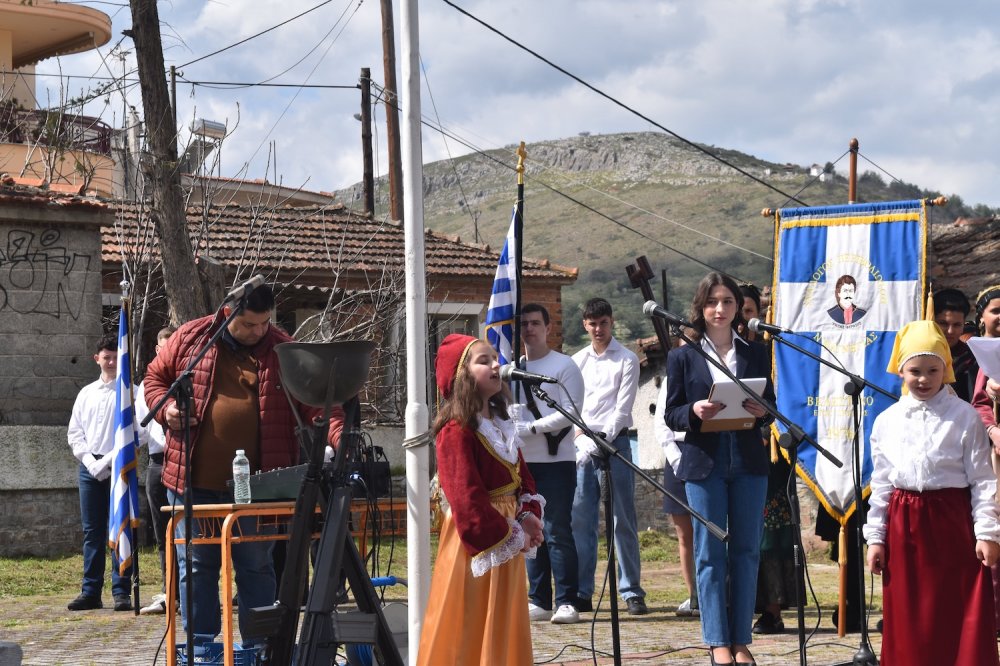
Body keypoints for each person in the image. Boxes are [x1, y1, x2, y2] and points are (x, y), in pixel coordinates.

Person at [143, 284, 344, 647]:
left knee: (256, 566)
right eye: (250, 324)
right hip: (192, 483)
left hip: (257, 489)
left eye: (265, 323)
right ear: (227, 314)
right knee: (196, 567)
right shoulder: (191, 338)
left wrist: (340, 437)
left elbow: (318, 403)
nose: (259, 331)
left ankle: (259, 647)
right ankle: (201, 647)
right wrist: (166, 409)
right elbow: (155, 379)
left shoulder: (283, 349)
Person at [864, 319, 1000, 665]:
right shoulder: (887, 421)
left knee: (957, 610)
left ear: (945, 370)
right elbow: (881, 484)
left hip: (952, 523)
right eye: (915, 371)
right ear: (901, 371)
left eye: (932, 370)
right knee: (910, 617)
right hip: (904, 525)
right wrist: (876, 538)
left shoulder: (964, 417)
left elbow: (982, 479)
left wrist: (986, 533)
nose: (923, 379)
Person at [663, 272, 774, 666]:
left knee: (746, 550)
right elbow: (671, 413)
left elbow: (771, 408)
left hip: (748, 461)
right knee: (709, 553)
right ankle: (716, 641)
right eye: (712, 302)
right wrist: (694, 410)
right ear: (701, 307)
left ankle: (740, 639)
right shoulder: (683, 356)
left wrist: (762, 411)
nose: (720, 309)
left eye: (727, 301)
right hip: (703, 463)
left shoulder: (755, 352)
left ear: (737, 307)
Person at [417, 334, 545, 666]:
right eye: (483, 361)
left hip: (507, 534)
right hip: (477, 542)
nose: (495, 365)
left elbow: (522, 477)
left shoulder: (501, 424)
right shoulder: (456, 430)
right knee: (471, 622)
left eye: (495, 358)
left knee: (502, 623)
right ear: (462, 375)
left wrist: (528, 514)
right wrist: (512, 534)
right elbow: (466, 499)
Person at [508, 303, 585, 625]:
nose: (529, 329)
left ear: (548, 327)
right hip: (522, 463)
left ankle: (567, 600)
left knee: (557, 530)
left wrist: (532, 428)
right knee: (529, 529)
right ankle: (538, 599)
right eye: (524, 324)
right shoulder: (511, 369)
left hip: (556, 460)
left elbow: (571, 411)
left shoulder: (564, 365)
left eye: (535, 323)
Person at [571, 297, 648, 615]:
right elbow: (572, 405)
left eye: (603, 322)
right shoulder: (577, 361)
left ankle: (631, 590)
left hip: (615, 444)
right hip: (582, 446)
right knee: (581, 520)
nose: (598, 329)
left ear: (611, 321)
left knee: (622, 520)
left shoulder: (627, 359)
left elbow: (623, 406)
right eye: (592, 324)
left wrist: (603, 439)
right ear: (585, 325)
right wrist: (581, 440)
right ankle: (582, 591)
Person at [66, 335, 135, 612]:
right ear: (97, 359)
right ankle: (91, 591)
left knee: (121, 527)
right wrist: (89, 461)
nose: (111, 362)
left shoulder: (131, 392)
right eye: (106, 357)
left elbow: (136, 434)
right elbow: (75, 433)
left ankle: (121, 591)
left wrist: (106, 461)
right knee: (92, 531)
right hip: (89, 468)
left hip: (119, 466)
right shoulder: (86, 393)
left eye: (116, 357)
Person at [134, 326, 176, 615]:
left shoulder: (188, 378)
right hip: (158, 460)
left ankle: (190, 589)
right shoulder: (148, 385)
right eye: (162, 347)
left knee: (186, 530)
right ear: (157, 350)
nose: (166, 352)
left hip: (184, 461)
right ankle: (168, 590)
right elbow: (142, 425)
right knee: (162, 532)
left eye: (171, 346)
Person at [653, 378, 698, 617]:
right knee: (685, 534)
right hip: (677, 455)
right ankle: (694, 596)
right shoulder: (671, 379)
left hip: (706, 450)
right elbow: (661, 423)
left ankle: (718, 593)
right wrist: (677, 460)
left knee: (712, 531)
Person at [933, 287, 978, 402]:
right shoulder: (918, 356)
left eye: (957, 325)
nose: (950, 331)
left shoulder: (972, 359)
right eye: (943, 323)